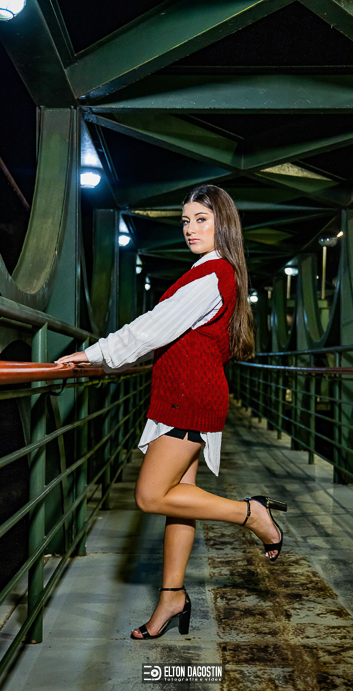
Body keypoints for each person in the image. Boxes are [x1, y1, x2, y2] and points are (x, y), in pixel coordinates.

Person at [55, 184, 287, 640]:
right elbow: (168, 335)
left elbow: (151, 329)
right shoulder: (212, 272)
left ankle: (251, 513)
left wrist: (95, 353)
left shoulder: (212, 275)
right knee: (180, 500)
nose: (189, 229)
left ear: (223, 223)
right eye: (185, 221)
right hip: (187, 392)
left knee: (150, 495)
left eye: (201, 219)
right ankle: (172, 597)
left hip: (188, 397)